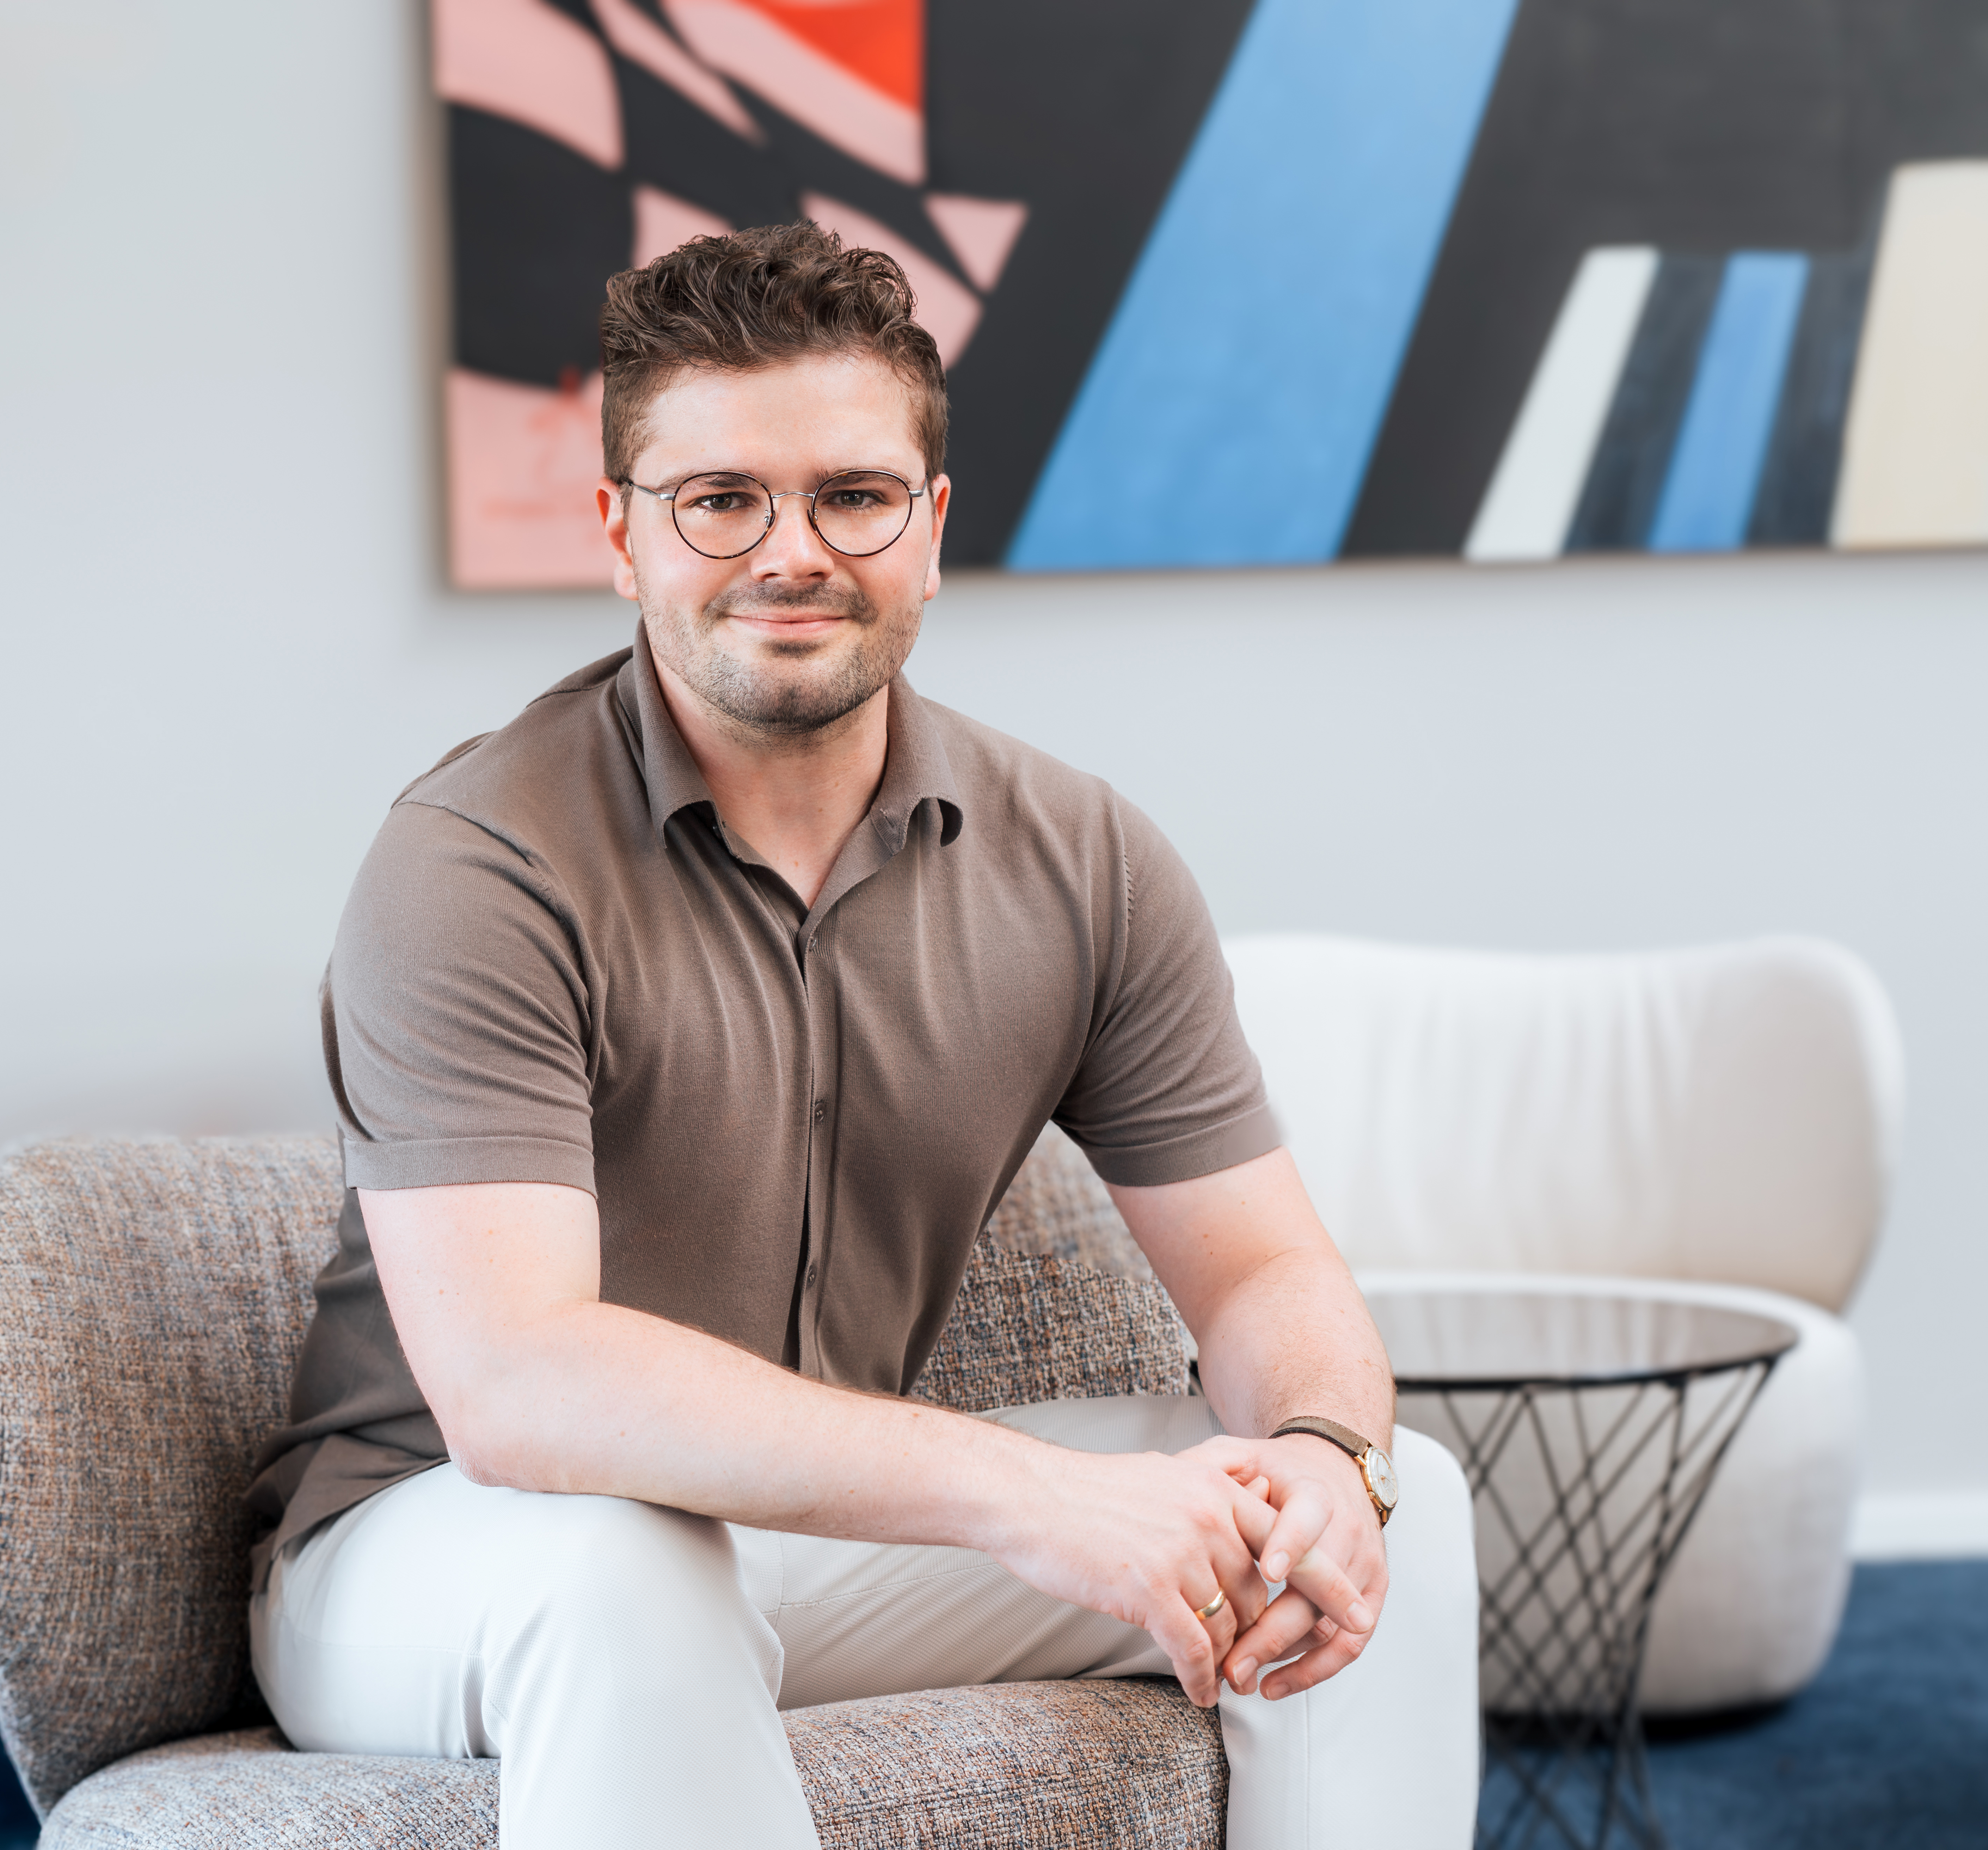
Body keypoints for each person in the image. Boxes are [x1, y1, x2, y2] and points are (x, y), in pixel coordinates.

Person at [245, 222, 1478, 1849]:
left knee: (1397, 1502)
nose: (791, 552)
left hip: (806, 1534)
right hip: (446, 1547)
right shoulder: (478, 861)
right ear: (621, 532)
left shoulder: (1083, 856)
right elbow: (519, 1384)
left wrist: (1325, 1453)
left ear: (932, 525)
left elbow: (1260, 1272)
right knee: (627, 1569)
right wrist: (1032, 1498)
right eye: (721, 501)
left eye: (853, 494)